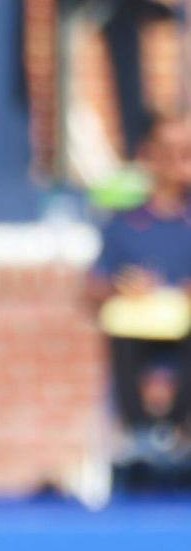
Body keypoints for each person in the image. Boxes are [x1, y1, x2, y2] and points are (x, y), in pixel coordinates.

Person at [86, 114, 191, 465]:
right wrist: (120, 287)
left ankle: (177, 432)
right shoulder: (124, 224)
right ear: (150, 156)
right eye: (176, 152)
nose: (184, 162)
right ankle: (141, 433)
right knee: (121, 335)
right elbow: (93, 288)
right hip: (139, 332)